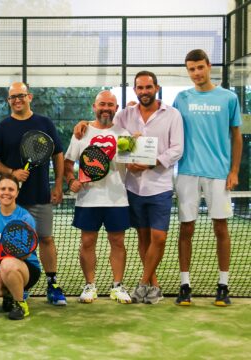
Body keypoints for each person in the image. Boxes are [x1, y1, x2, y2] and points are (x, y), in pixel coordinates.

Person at [75, 72, 184, 304]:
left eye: (148, 87)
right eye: (140, 88)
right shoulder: (126, 114)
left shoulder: (172, 114)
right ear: (135, 90)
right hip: (132, 188)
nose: (144, 91)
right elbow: (102, 121)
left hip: (159, 186)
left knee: (158, 238)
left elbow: (177, 149)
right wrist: (83, 123)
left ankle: (143, 283)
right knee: (142, 238)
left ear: (156, 87)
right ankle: (151, 285)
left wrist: (151, 161)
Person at [0, 82, 66, 306]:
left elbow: (57, 154)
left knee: (46, 239)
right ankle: (21, 285)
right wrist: (12, 172)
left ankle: (52, 284)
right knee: (12, 244)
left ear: (29, 96)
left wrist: (58, 185)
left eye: (21, 96)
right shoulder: (2, 128)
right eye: (13, 97)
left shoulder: (44, 123)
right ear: (8, 101)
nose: (17, 100)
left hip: (40, 195)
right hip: (13, 200)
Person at [173, 49, 242, 306]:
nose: (196, 73)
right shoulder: (182, 98)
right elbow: (164, 121)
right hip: (187, 173)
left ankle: (223, 285)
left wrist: (234, 170)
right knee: (186, 228)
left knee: (220, 227)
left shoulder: (228, 98)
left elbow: (236, 136)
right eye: (191, 69)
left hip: (219, 174)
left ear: (208, 66)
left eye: (200, 67)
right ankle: (184, 285)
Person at [64, 90, 132, 304]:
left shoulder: (125, 134)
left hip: (117, 198)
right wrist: (71, 180)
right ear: (94, 107)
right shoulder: (81, 133)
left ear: (116, 109)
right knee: (87, 242)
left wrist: (138, 146)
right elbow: (68, 164)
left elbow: (132, 165)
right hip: (88, 199)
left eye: (110, 105)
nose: (106, 108)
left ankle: (117, 286)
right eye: (102, 104)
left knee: (118, 242)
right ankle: (90, 285)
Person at [0, 174, 41, 320]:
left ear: (17, 193)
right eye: (3, 189)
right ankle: (10, 294)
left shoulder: (25, 218)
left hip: (26, 268)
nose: (6, 192)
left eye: (11, 189)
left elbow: (26, 253)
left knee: (7, 263)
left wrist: (0, 260)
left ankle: (20, 304)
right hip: (2, 266)